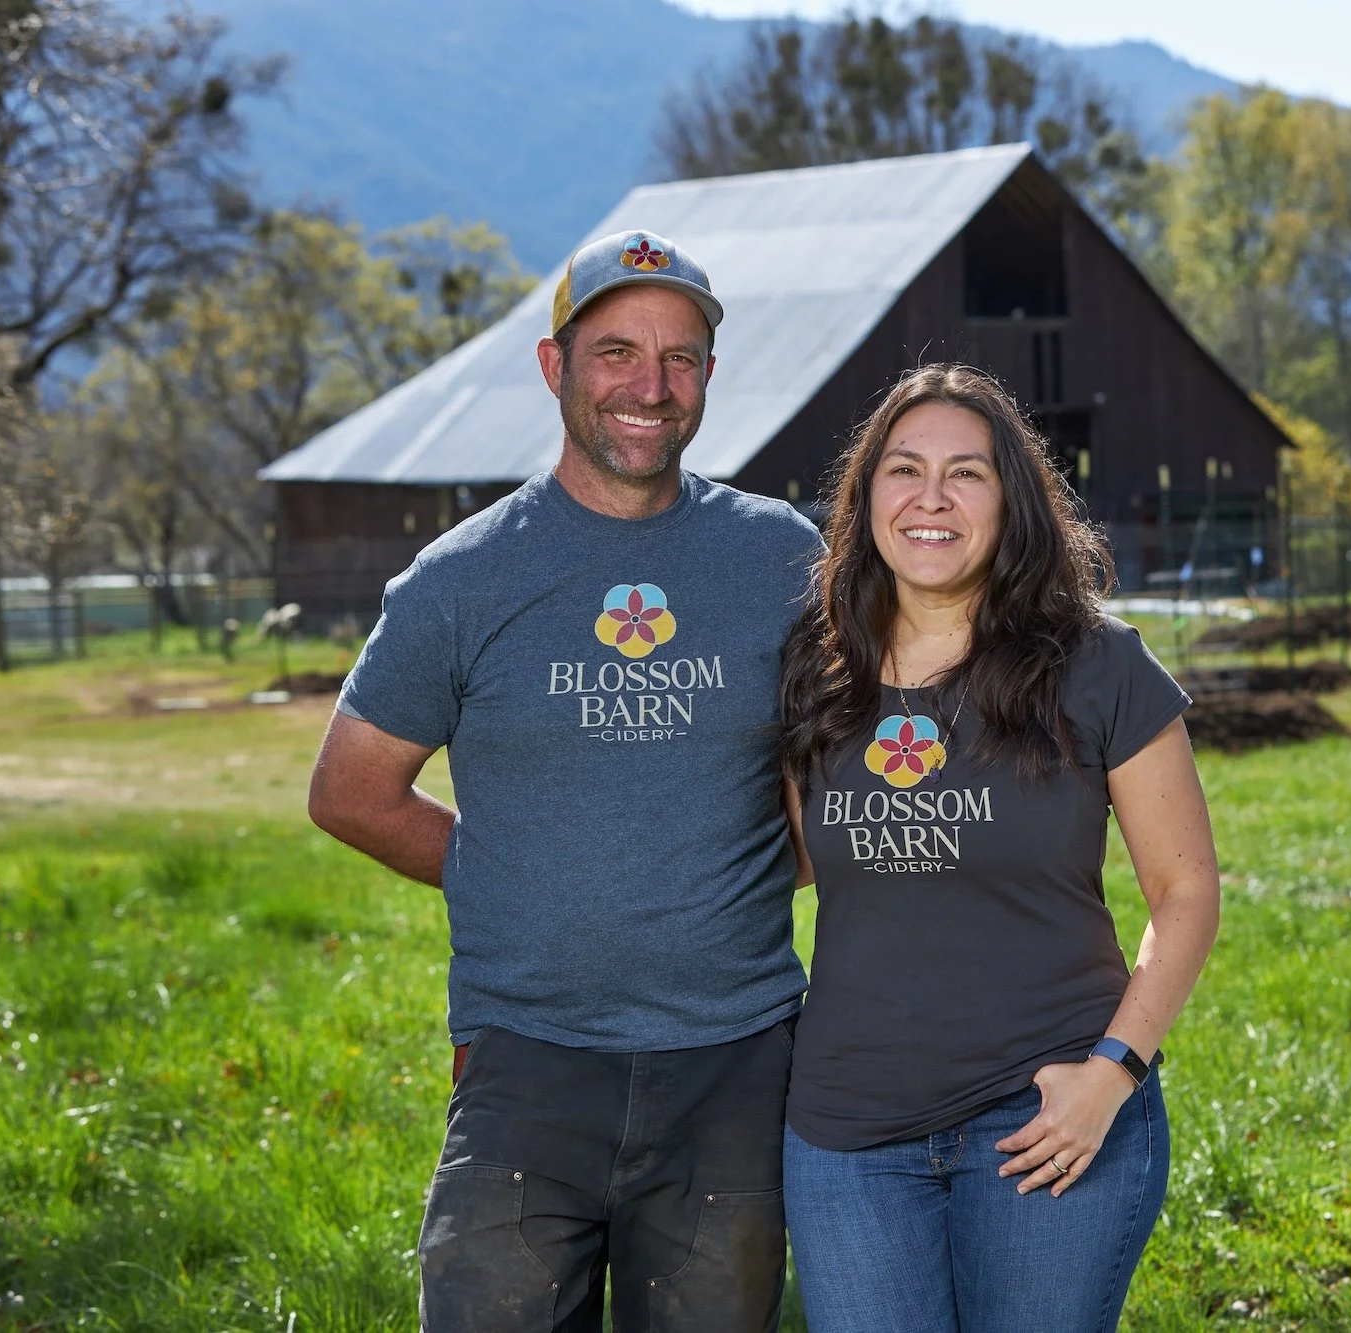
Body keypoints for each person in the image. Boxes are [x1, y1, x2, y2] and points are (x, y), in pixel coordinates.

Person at [308, 229, 821, 1333]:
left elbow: (843, 779)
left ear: (707, 380)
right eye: (615, 352)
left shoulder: (782, 559)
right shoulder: (460, 578)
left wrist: (744, 871)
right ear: (555, 367)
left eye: (680, 357)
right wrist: (514, 878)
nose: (650, 384)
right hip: (527, 1060)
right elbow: (351, 790)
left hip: (731, 1061)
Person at [776, 364, 1223, 1332]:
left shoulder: (1099, 665)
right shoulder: (813, 669)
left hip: (1044, 1121)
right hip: (847, 1139)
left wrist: (1112, 1073)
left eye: (965, 474)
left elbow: (1185, 892)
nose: (929, 498)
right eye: (902, 469)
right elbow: (788, 863)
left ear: (1010, 500)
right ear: (864, 500)